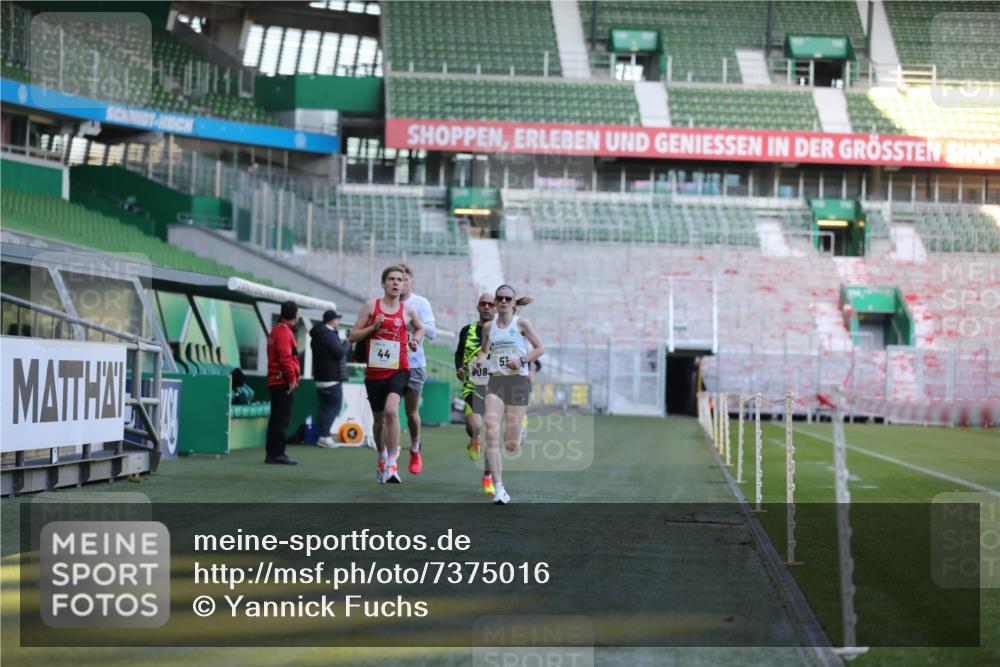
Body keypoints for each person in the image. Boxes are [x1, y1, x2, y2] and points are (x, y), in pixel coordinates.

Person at [349, 265, 425, 484]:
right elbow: (353, 336)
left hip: (399, 369)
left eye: (399, 280)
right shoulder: (370, 307)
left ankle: (392, 464)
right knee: (379, 422)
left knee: (393, 411)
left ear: (404, 285)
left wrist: (414, 340)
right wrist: (373, 328)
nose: (395, 283)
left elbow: (420, 329)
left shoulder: (408, 311)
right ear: (383, 284)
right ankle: (381, 456)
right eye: (391, 279)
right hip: (374, 373)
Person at [473, 284, 544, 504]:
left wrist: (522, 359)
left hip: (518, 383)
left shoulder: (521, 323)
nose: (503, 302)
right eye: (499, 298)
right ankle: (499, 488)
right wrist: (479, 361)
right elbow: (485, 350)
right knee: (491, 432)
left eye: (507, 299)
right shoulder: (488, 327)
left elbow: (539, 348)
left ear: (513, 303)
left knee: (511, 445)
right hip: (496, 382)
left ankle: (520, 430)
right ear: (495, 302)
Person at [455, 292, 496, 496]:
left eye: (491, 304)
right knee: (475, 426)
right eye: (483, 304)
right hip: (473, 385)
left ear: (496, 308)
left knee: (492, 433)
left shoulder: (503, 332)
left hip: (497, 388)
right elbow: (459, 353)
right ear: (478, 307)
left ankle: (488, 476)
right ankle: (474, 438)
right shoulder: (467, 330)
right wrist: (459, 368)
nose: (487, 307)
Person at [399, 264, 436, 475]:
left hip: (414, 364)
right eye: (396, 279)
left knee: (411, 413)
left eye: (404, 279)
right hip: (390, 364)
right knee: (388, 412)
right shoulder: (384, 304)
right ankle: (389, 456)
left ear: (411, 281)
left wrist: (413, 322)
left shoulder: (420, 303)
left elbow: (432, 332)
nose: (400, 283)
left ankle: (414, 448)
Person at [265, 300, 301, 465]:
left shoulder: (276, 330)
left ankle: (272, 453)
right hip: (282, 382)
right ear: (295, 315)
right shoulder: (285, 333)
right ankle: (277, 453)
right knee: (281, 419)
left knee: (276, 419)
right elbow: (286, 359)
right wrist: (292, 379)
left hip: (275, 380)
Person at [310, 309, 351, 448]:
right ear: (331, 320)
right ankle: (324, 436)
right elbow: (340, 353)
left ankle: (322, 436)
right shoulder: (328, 335)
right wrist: (347, 342)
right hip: (331, 378)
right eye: (337, 319)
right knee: (334, 407)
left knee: (324, 408)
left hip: (320, 377)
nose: (338, 321)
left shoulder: (318, 335)